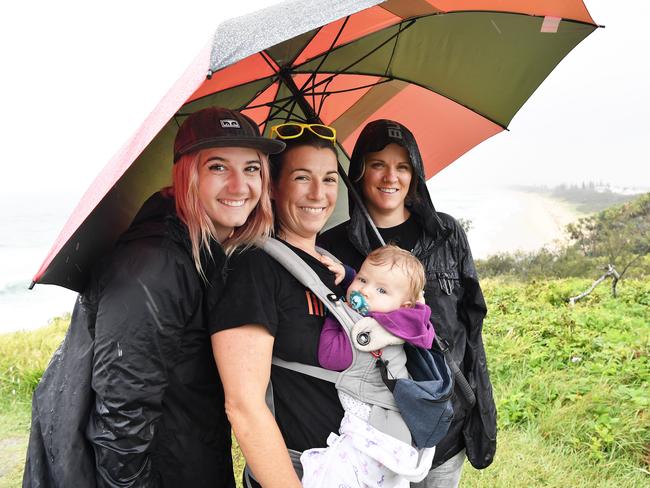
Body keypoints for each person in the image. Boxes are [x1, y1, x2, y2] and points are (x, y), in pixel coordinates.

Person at [23, 107, 285, 488]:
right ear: (186, 174)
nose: (239, 185)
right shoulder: (152, 265)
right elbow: (121, 419)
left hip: (187, 457)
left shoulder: (200, 250)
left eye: (251, 168)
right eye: (217, 167)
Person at [318, 119, 497, 488]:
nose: (390, 177)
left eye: (402, 166)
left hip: (443, 424)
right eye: (379, 164)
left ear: (415, 175)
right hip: (371, 440)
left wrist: (479, 406)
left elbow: (472, 326)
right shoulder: (333, 247)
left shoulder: (447, 235)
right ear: (360, 172)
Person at [210, 122, 343, 488]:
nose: (319, 193)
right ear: (272, 185)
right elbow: (244, 407)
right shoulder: (253, 268)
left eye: (329, 179)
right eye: (303, 178)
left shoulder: (330, 265)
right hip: (303, 474)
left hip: (352, 467)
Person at [300, 244, 436, 488]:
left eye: (381, 290)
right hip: (397, 417)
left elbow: (330, 356)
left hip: (373, 421)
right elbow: (373, 286)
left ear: (403, 304)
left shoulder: (370, 330)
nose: (365, 291)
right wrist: (349, 275)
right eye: (363, 279)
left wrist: (337, 313)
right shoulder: (408, 318)